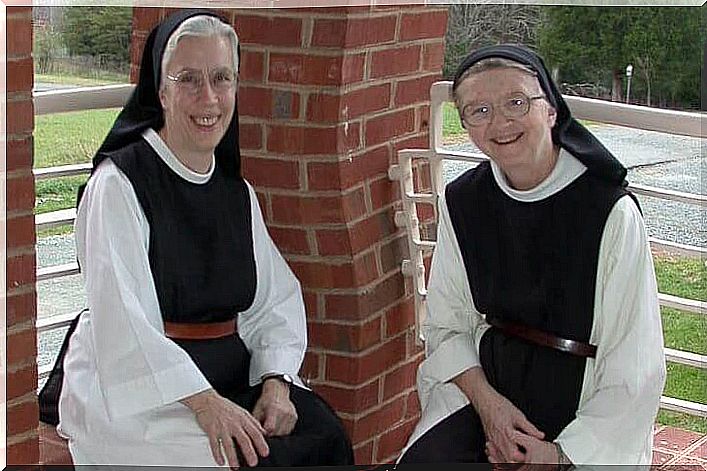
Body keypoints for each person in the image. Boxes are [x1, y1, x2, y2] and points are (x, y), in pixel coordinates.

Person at [42, 10, 353, 467]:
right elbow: (122, 322)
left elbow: (273, 300)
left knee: (324, 435)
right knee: (240, 460)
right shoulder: (119, 185)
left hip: (230, 372)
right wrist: (206, 404)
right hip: (138, 393)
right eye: (188, 79)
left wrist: (275, 382)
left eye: (221, 78)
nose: (208, 98)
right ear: (161, 90)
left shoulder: (236, 192)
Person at [397, 44, 666, 465]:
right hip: (488, 390)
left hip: (587, 406)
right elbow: (447, 324)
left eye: (516, 102)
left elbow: (634, 363)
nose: (500, 122)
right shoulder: (465, 201)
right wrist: (490, 409)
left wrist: (559, 454)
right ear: (465, 125)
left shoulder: (609, 212)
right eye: (478, 110)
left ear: (552, 110)